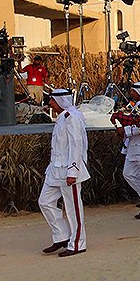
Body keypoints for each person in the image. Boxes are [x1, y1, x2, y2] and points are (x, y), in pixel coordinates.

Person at [38, 88, 89, 257]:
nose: (50, 103)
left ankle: (77, 243)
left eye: (52, 100)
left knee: (73, 208)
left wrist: (73, 171)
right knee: (44, 201)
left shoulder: (72, 118)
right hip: (55, 170)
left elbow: (76, 146)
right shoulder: (62, 118)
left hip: (69, 170)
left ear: (61, 101)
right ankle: (61, 235)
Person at [118, 82, 140, 218]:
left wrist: (125, 130)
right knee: (128, 174)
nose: (131, 93)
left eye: (133, 91)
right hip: (132, 148)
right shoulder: (137, 106)